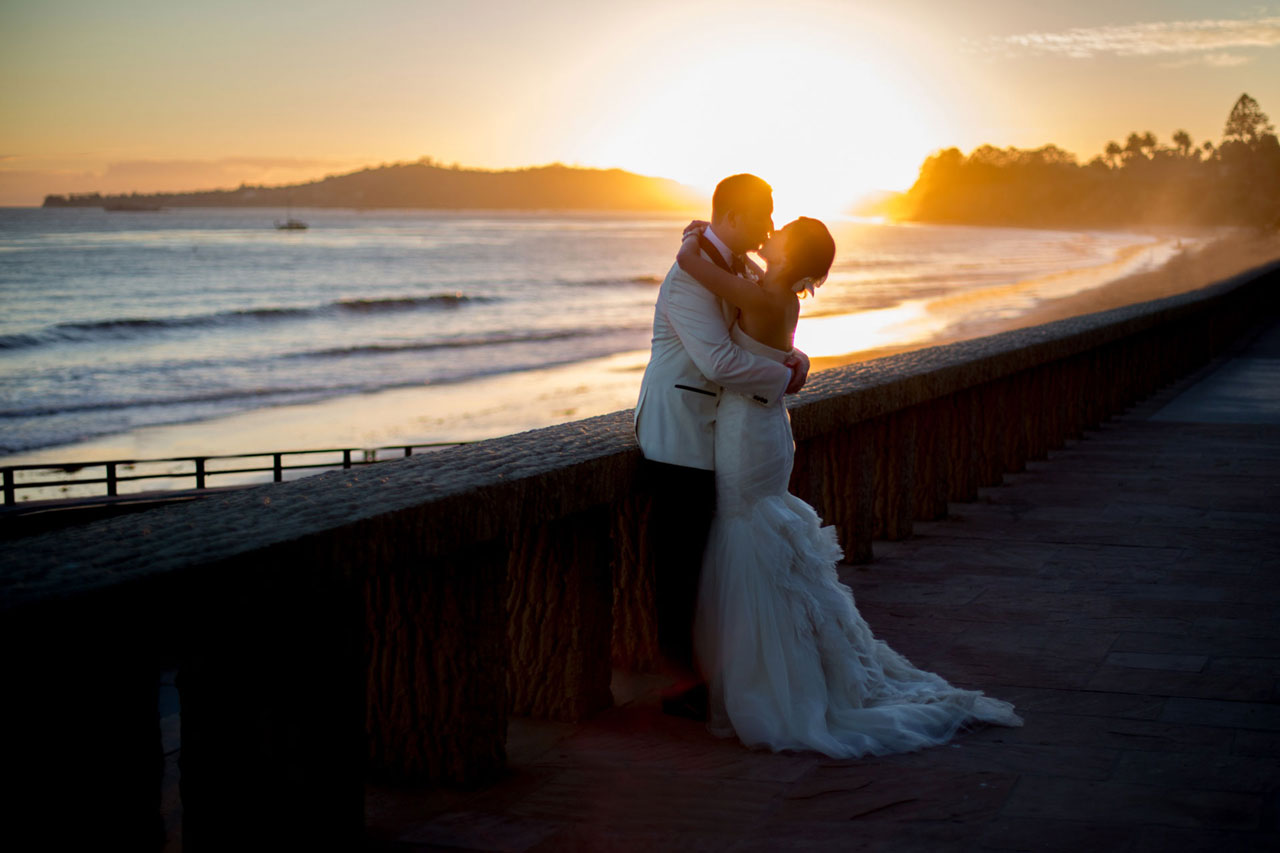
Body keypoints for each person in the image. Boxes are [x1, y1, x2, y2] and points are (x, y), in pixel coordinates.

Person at [677, 216, 1024, 757]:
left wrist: (693, 237)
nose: (771, 236)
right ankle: (791, 670)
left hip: (749, 431)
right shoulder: (771, 291)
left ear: (792, 258)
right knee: (765, 542)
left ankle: (777, 686)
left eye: (782, 235)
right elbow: (732, 277)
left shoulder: (766, 296)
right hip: (762, 427)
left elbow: (693, 267)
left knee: (749, 536)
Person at [633, 174, 810, 719]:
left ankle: (725, 672)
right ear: (732, 216)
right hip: (680, 431)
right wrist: (786, 378)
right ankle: (682, 687)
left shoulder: (741, 266)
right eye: (763, 217)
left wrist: (796, 359)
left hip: (729, 432)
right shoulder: (688, 280)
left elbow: (768, 323)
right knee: (681, 566)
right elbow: (719, 362)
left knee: (717, 561)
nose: (770, 227)